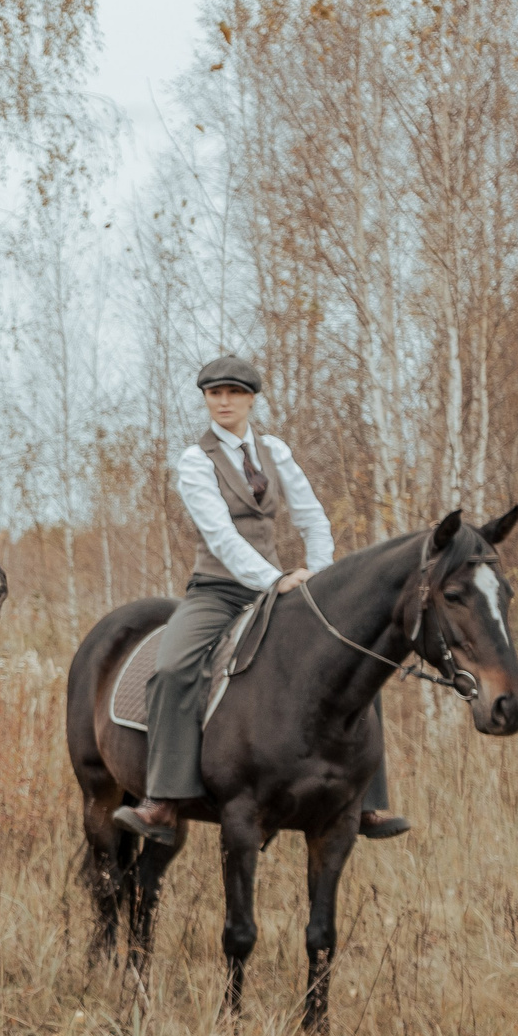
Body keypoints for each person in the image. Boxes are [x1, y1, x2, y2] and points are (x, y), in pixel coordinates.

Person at [113, 355, 410, 847]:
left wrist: (320, 572)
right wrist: (274, 579)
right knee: (172, 669)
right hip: (218, 591)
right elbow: (222, 535)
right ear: (206, 399)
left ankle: (365, 800)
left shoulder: (274, 451)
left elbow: (313, 515)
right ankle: (162, 800)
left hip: (281, 589)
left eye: (233, 393)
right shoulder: (195, 460)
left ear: (252, 399)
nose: (223, 401)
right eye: (214, 394)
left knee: (355, 655)